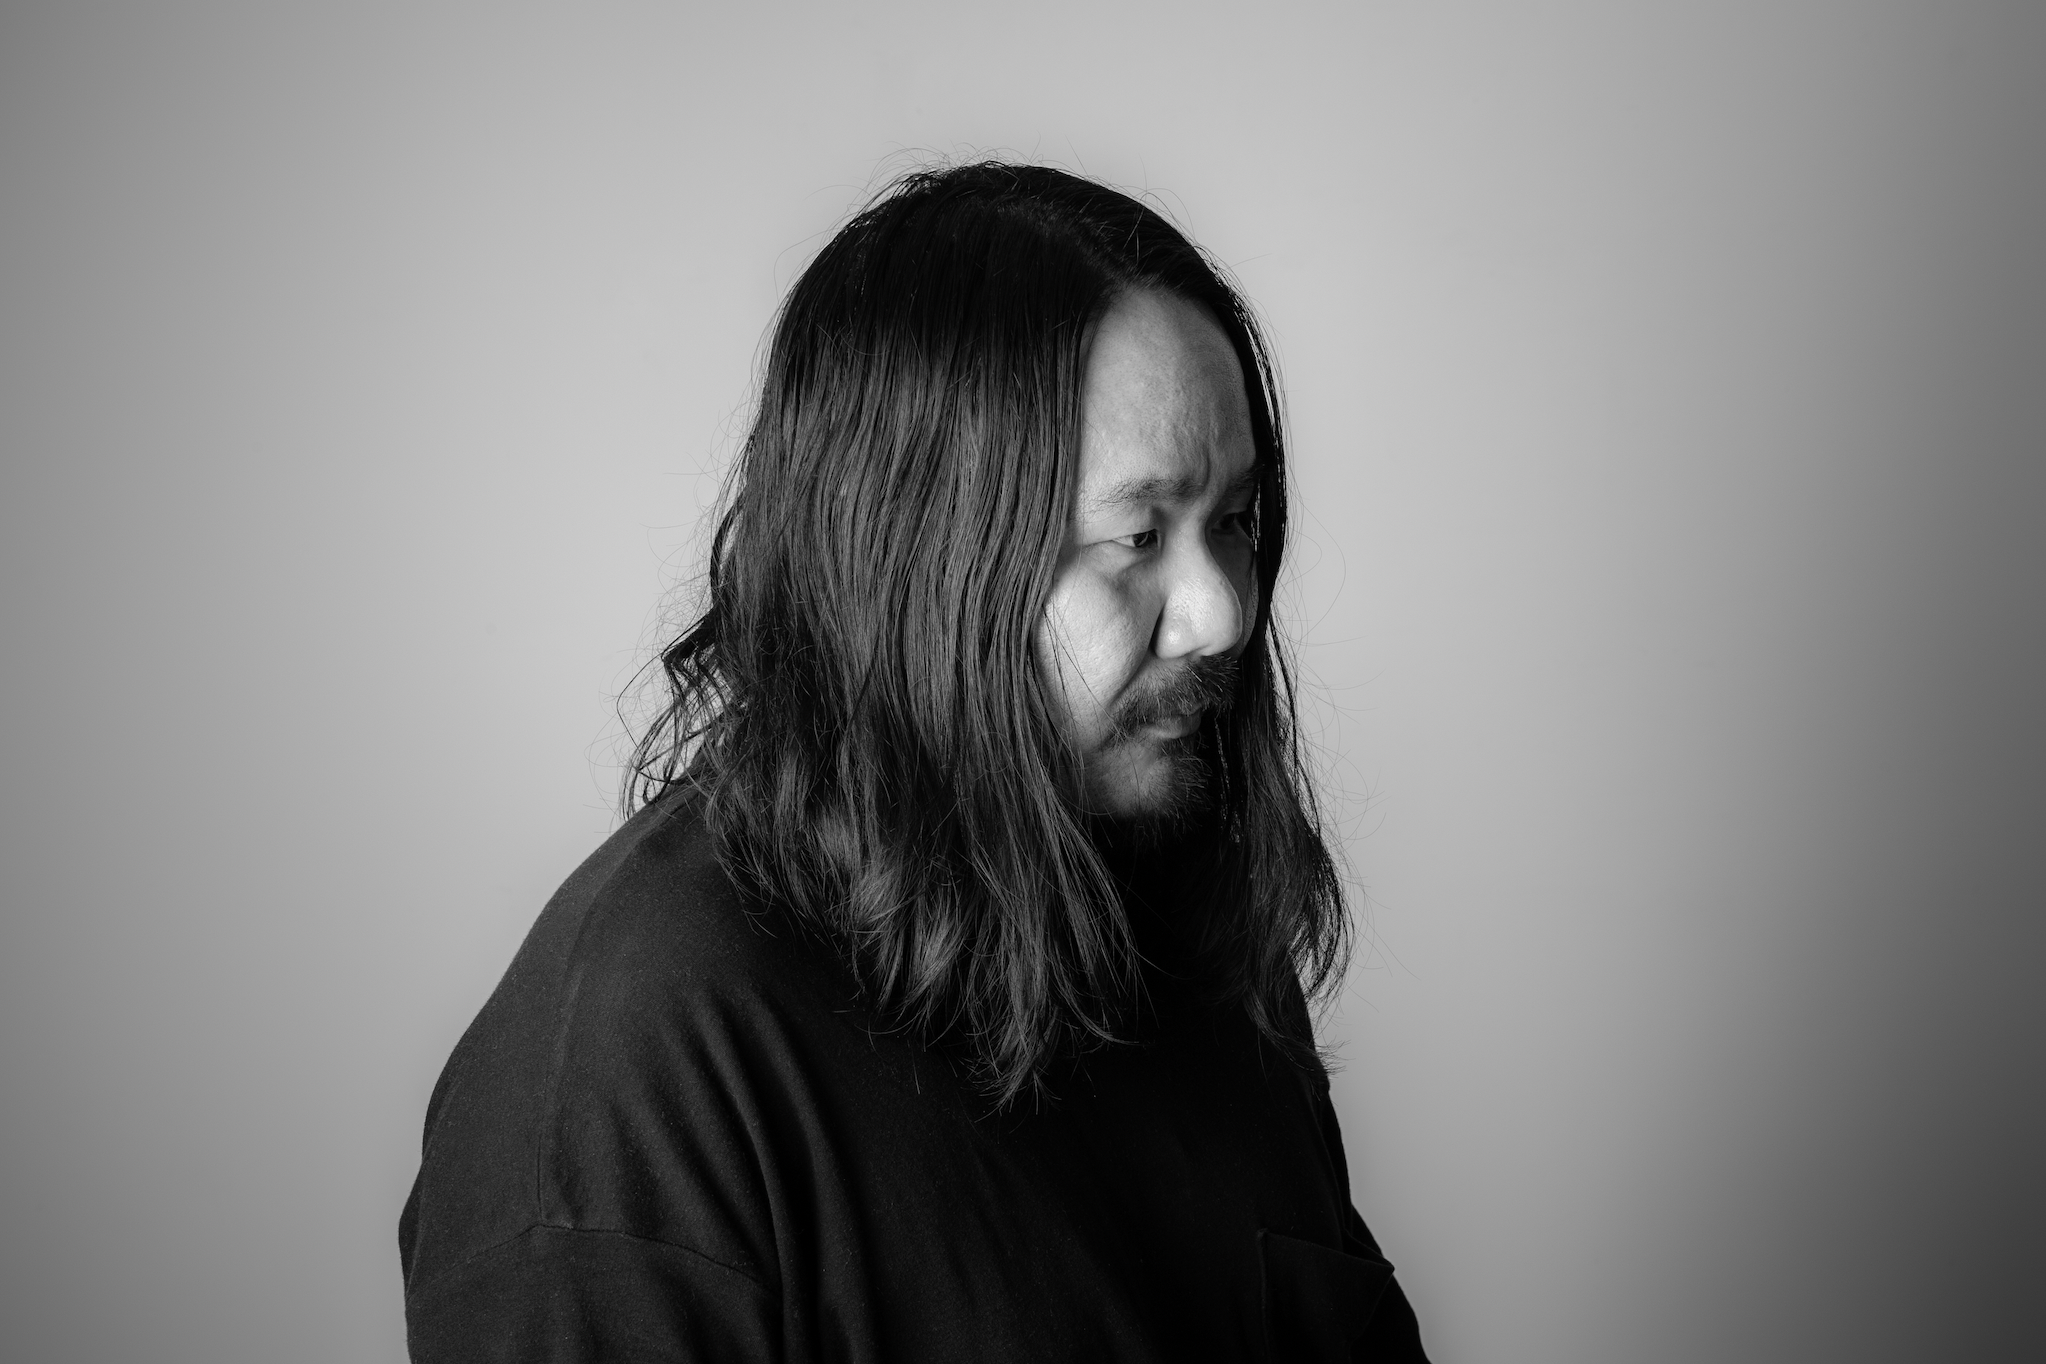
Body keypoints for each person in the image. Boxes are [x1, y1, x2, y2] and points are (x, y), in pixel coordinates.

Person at [398, 161, 1430, 1363]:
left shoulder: (1184, 919)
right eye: (1140, 535)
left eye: (1235, 523)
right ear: (921, 558)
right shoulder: (631, 1078)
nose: (1220, 613)